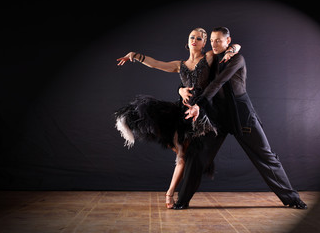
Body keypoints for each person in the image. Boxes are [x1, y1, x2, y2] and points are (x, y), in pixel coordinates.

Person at [175, 26, 307, 210]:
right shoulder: (210, 59)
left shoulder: (237, 58)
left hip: (241, 115)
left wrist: (199, 104)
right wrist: (180, 90)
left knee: (266, 156)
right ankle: (182, 201)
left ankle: (293, 199)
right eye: (211, 40)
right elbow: (192, 80)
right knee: (196, 155)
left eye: (218, 40)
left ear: (227, 41)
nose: (213, 44)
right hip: (217, 116)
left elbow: (218, 82)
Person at [115, 28, 241, 209]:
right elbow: (156, 64)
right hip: (181, 113)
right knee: (181, 154)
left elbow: (232, 45)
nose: (194, 40)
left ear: (204, 43)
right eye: (192, 37)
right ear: (187, 41)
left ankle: (170, 192)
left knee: (186, 156)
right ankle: (171, 192)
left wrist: (233, 48)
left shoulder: (208, 57)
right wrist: (134, 55)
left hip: (200, 112)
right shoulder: (179, 64)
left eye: (199, 38)